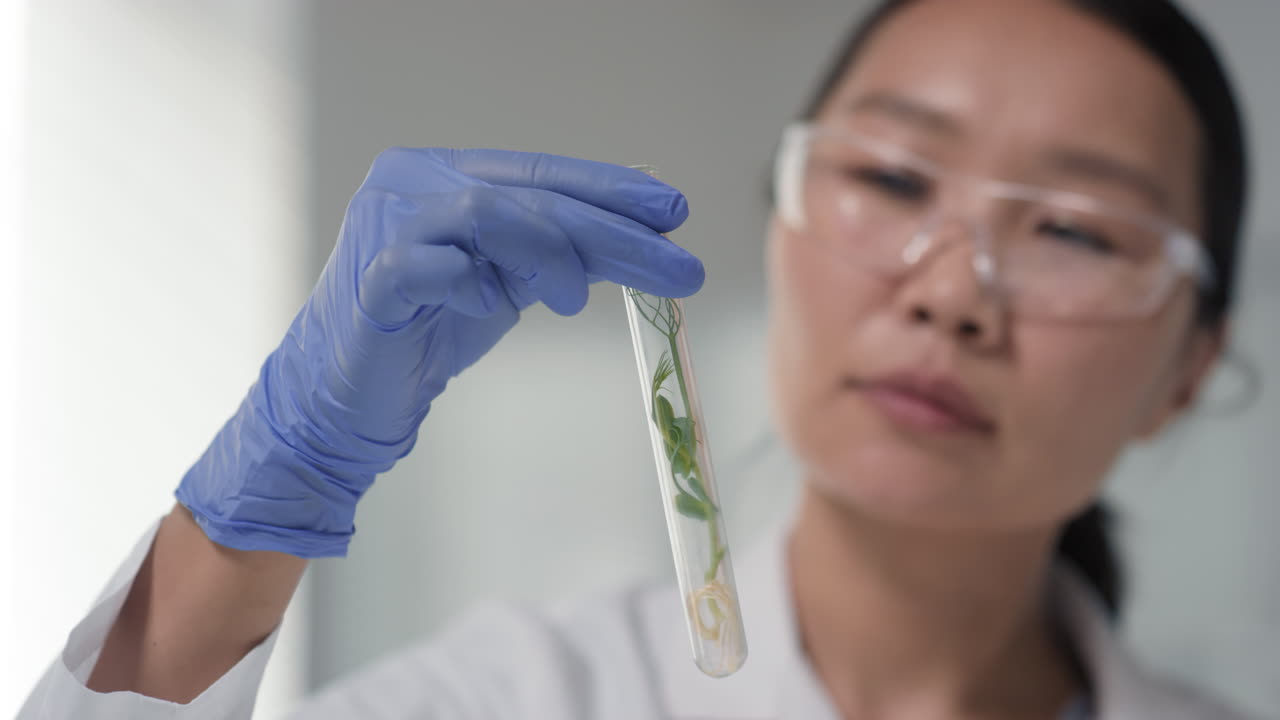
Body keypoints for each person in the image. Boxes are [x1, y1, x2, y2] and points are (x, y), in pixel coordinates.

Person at [19, 0, 1264, 717]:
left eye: (1070, 230)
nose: (950, 295)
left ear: (1188, 370)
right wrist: (263, 506)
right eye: (890, 176)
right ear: (776, 231)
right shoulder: (520, 699)